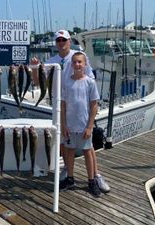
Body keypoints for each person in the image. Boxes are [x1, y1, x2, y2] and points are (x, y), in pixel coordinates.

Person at [31, 30, 110, 193]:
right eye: (58, 40)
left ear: (69, 41)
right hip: (60, 105)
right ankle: (68, 172)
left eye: (64, 40)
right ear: (55, 43)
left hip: (80, 108)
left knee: (88, 146)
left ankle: (96, 175)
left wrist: (90, 110)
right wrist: (34, 68)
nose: (61, 42)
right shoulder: (50, 61)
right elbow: (38, 83)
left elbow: (89, 80)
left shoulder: (78, 56)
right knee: (64, 142)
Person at [61, 52, 102, 197]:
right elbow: (64, 105)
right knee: (70, 151)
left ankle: (91, 181)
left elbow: (94, 105)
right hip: (70, 126)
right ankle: (70, 178)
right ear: (71, 65)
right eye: (74, 62)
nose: (77, 65)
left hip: (84, 125)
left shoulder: (90, 82)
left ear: (85, 64)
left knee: (87, 152)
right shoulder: (67, 83)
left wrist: (90, 126)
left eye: (80, 62)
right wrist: (64, 125)